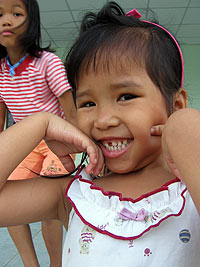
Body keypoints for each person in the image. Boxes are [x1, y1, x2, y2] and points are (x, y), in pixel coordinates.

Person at [0, 1, 200, 266]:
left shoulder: (189, 189)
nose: (103, 121)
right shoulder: (74, 196)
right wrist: (41, 123)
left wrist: (184, 124)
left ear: (175, 105)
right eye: (88, 103)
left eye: (126, 96)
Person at [0, 0, 76, 266]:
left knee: (50, 207)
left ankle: (57, 263)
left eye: (16, 13)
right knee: (5, 194)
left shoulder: (48, 62)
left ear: (31, 21)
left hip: (57, 141)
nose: (6, 20)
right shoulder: (0, 70)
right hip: (25, 143)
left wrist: (81, 146)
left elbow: (72, 110)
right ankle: (31, 263)